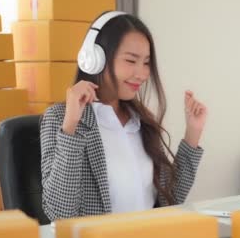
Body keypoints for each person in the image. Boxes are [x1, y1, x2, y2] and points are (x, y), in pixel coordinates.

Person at [39, 11, 207, 221]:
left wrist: (193, 132)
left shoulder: (140, 120)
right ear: (95, 59)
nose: (142, 73)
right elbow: (60, 213)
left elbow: (172, 199)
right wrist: (72, 124)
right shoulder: (59, 118)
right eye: (131, 60)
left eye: (146, 62)